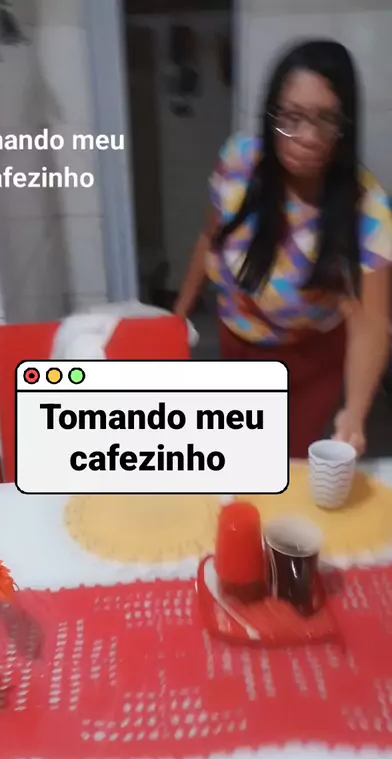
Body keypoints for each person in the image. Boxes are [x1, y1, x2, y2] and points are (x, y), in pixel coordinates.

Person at [174, 39, 392, 458]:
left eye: (326, 119)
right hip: (235, 342)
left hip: (307, 362)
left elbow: (371, 323)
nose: (307, 137)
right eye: (292, 117)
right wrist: (178, 315)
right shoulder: (239, 161)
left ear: (346, 123)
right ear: (272, 113)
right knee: (239, 447)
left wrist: (355, 412)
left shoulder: (368, 210)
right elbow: (208, 238)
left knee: (281, 463)